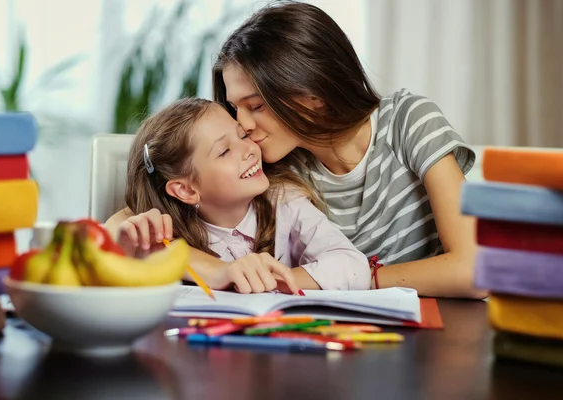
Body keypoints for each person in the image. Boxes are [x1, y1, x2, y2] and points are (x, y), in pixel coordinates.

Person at [107, 1, 485, 299]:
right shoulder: (273, 166)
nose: (243, 125)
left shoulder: (407, 122)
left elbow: (473, 270)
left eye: (255, 106)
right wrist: (221, 272)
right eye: (235, 107)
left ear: (312, 94)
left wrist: (353, 279)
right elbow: (124, 221)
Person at [120, 97, 370, 293]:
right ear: (186, 190)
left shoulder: (284, 202)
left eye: (242, 135)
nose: (250, 149)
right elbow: (115, 264)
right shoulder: (169, 234)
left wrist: (273, 279)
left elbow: (354, 267)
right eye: (225, 151)